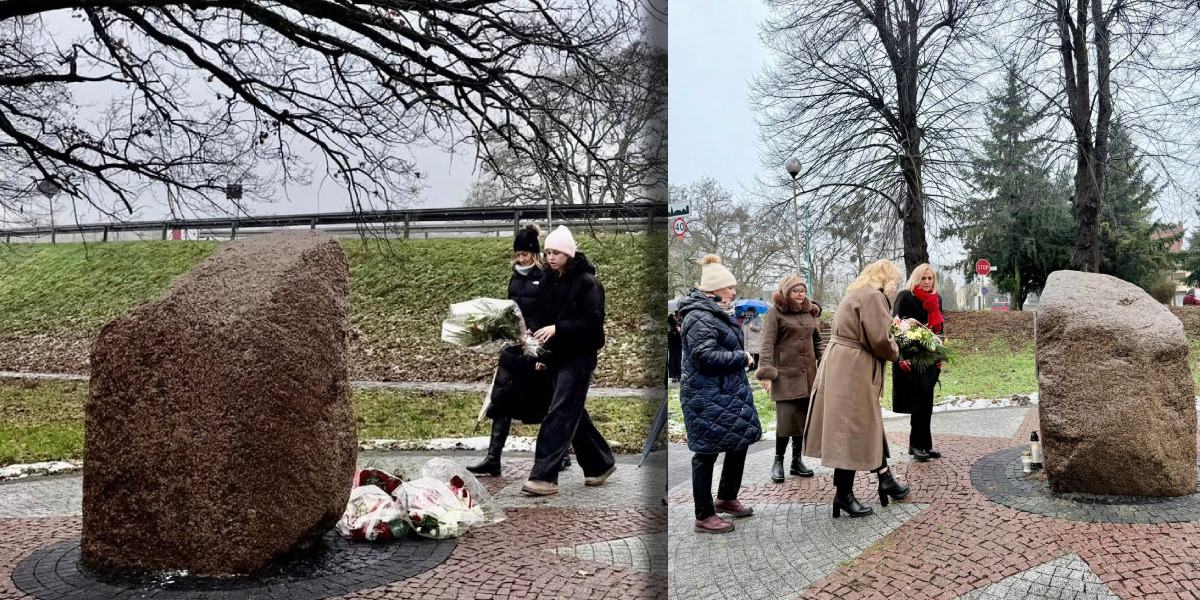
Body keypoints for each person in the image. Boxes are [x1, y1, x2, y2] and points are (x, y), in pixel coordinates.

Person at [804, 259, 910, 518]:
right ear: (886, 279)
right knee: (849, 430)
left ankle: (885, 478)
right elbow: (880, 340)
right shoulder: (873, 296)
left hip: (843, 364)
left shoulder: (854, 294)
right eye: (894, 280)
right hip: (854, 368)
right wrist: (899, 348)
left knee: (862, 424)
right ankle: (844, 494)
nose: (895, 286)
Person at [467, 224, 570, 477]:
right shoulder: (514, 278)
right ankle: (493, 458)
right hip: (513, 349)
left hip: (536, 348)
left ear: (534, 253)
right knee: (501, 401)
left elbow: (550, 313)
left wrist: (543, 347)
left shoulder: (546, 276)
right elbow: (510, 311)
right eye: (518, 254)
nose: (521, 258)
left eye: (525, 254)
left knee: (546, 404)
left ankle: (560, 454)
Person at [521, 226, 617, 496]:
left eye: (557, 253)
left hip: (580, 358)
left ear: (569, 254)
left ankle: (544, 476)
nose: (551, 257)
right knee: (571, 411)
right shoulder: (548, 280)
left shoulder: (588, 283)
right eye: (548, 252)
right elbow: (540, 317)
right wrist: (538, 345)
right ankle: (600, 463)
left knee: (561, 412)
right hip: (556, 356)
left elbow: (593, 327)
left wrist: (558, 329)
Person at [678, 254, 761, 534]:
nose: (734, 292)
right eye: (729, 287)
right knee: (706, 453)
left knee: (739, 442)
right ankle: (704, 515)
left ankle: (726, 497)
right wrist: (741, 357)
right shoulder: (699, 316)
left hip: (728, 392)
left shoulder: (717, 313)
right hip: (705, 395)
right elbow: (704, 356)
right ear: (714, 290)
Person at [756, 276, 822, 483]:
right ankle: (778, 461)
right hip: (784, 376)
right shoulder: (775, 313)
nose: (800, 294)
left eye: (803, 290)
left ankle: (796, 461)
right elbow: (767, 344)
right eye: (796, 291)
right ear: (786, 293)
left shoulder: (810, 313)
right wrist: (766, 374)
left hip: (808, 375)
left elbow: (818, 343)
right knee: (786, 420)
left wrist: (825, 364)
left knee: (802, 419)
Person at [892, 263, 945, 462]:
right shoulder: (905, 297)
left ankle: (925, 444)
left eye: (930, 278)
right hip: (911, 357)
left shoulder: (936, 298)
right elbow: (896, 326)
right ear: (916, 279)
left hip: (930, 356)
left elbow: (939, 328)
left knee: (927, 401)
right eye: (923, 278)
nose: (927, 282)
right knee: (918, 400)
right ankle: (916, 445)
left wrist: (940, 354)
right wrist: (902, 357)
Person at [667, 312, 683, 382]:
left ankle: (679, 375)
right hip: (671, 341)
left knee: (678, 358)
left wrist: (680, 330)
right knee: (672, 358)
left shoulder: (681, 321)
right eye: (678, 316)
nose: (679, 318)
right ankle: (673, 375)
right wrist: (673, 318)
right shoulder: (669, 319)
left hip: (678, 341)